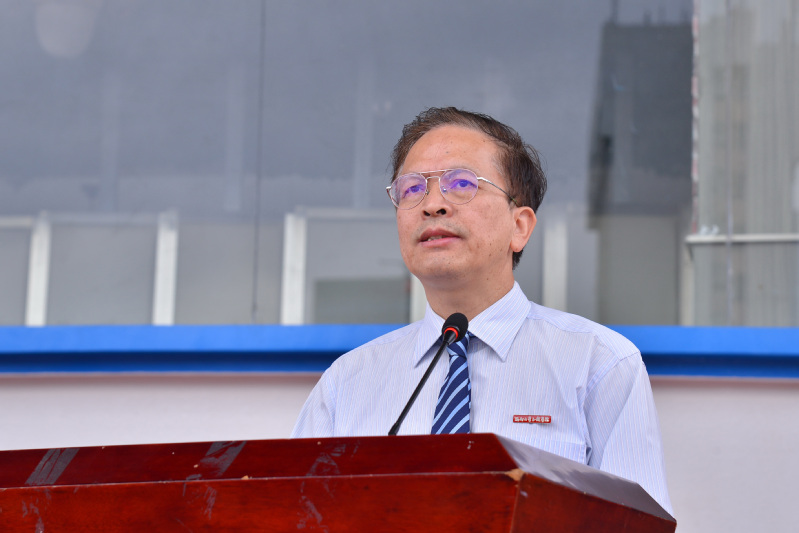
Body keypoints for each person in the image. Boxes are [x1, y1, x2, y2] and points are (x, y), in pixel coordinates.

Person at [291, 107, 672, 514]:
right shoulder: (346, 384)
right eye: (412, 188)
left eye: (461, 183)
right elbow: (297, 514)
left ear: (519, 226)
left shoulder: (600, 365)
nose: (432, 204)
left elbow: (636, 524)